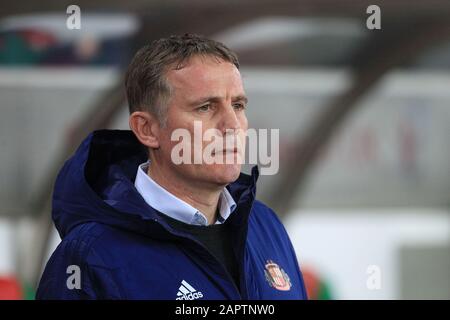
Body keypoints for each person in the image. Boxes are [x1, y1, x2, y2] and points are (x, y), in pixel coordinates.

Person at [36, 34, 307, 300]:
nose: (232, 125)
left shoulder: (265, 224)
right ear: (148, 129)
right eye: (205, 107)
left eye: (237, 105)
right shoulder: (90, 256)